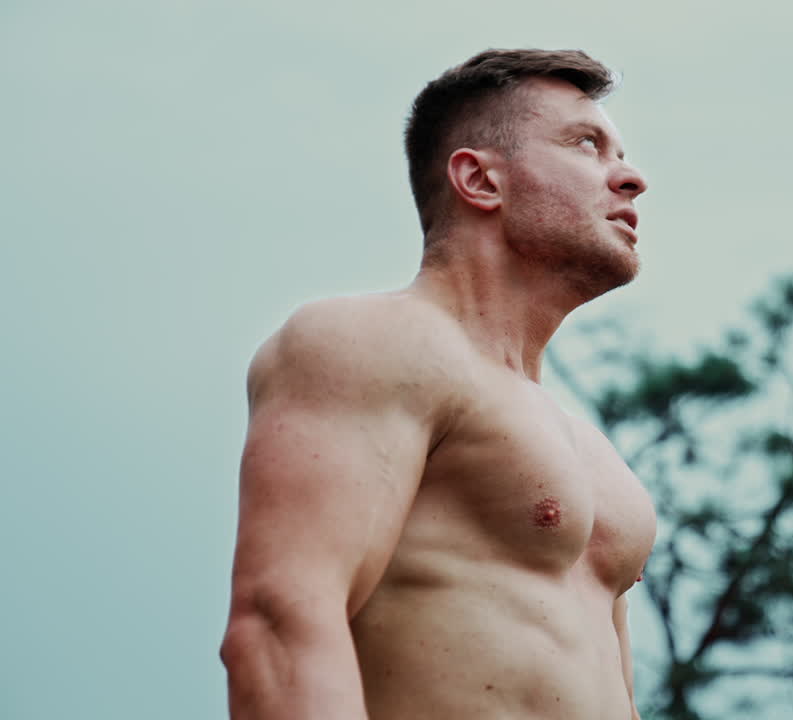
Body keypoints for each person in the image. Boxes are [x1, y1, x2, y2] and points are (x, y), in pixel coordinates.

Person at [219, 49, 656, 720]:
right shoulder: (370, 341)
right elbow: (280, 626)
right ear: (479, 180)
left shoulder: (596, 458)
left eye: (619, 153)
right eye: (586, 145)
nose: (631, 178)